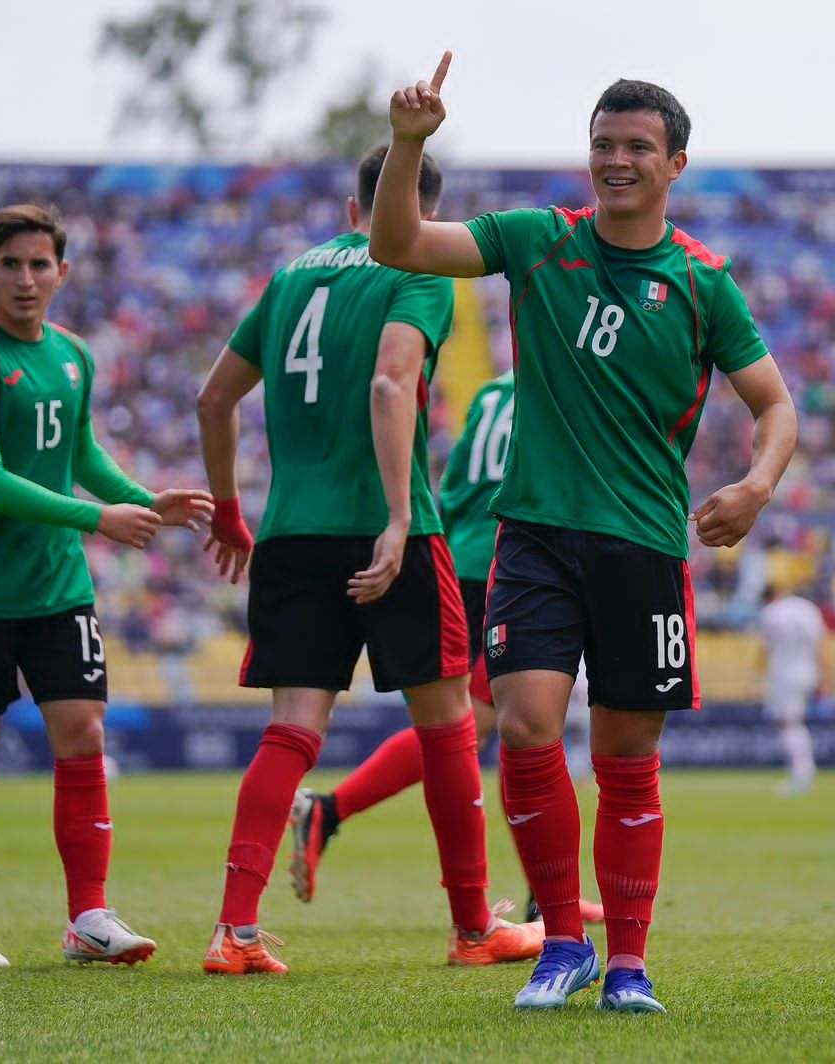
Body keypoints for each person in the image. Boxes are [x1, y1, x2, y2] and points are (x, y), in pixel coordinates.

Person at [369, 56, 798, 1013]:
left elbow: (776, 407)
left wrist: (757, 486)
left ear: (675, 163)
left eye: (637, 147)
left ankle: (630, 966)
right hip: (535, 539)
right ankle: (563, 941)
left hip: (645, 545)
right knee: (522, 727)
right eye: (603, 144)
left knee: (625, 759)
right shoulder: (535, 240)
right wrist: (409, 144)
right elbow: (396, 242)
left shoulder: (703, 282)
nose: (615, 161)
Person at [196, 145, 543, 975]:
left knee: (292, 730)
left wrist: (231, 511)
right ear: (419, 214)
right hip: (391, 525)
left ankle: (234, 932)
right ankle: (473, 929)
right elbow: (391, 386)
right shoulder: (417, 268)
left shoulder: (288, 279)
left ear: (354, 208)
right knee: (449, 722)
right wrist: (395, 517)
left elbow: (213, 398)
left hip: (289, 530)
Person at [0, 203, 213, 968]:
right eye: (10, 265)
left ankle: (89, 917)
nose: (25, 278)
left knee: (84, 735)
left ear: (62, 272)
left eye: (38, 264)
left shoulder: (74, 355)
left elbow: (82, 455)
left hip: (59, 588)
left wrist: (147, 501)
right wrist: (98, 519)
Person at [288, 370, 601, 925]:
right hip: (519, 564)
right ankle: (331, 810)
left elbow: (453, 488)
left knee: (506, 726)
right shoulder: (565, 379)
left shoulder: (489, 393)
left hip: (463, 560)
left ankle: (543, 892)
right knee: (488, 724)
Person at [756, 584, 826, 796]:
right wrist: (824, 674)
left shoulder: (771, 612)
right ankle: (804, 770)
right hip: (808, 670)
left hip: (785, 674)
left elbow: (766, 648)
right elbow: (821, 643)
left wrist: (759, 676)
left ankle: (801, 773)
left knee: (788, 723)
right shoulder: (808, 608)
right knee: (794, 721)